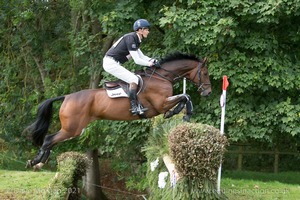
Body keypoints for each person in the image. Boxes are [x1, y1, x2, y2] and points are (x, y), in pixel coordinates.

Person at [103, 19, 157, 115]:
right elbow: (137, 60)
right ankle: (134, 107)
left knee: (135, 78)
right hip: (110, 63)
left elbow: (142, 57)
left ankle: (136, 104)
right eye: (147, 29)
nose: (148, 31)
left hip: (113, 62)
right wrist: (150, 64)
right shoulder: (131, 38)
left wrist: (153, 60)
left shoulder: (136, 39)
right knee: (134, 79)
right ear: (140, 30)